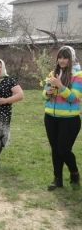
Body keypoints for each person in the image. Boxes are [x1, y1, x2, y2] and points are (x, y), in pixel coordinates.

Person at [43, 46, 82, 191]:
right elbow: (43, 96)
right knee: (55, 149)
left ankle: (74, 172)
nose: (62, 60)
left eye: (65, 57)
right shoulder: (53, 74)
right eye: (59, 57)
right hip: (50, 118)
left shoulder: (78, 75)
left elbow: (74, 98)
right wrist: (47, 92)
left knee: (64, 149)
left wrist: (60, 86)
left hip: (69, 120)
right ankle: (57, 179)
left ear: (71, 58)